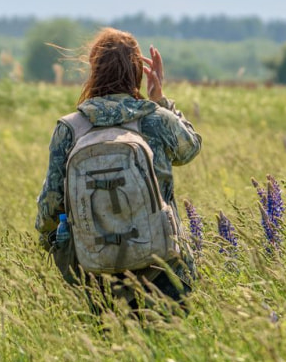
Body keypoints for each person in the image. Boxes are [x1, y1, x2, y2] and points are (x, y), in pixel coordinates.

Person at [35, 27, 202, 312]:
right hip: (164, 269)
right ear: (137, 71)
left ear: (94, 71)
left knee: (106, 352)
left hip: (94, 272)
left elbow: (51, 206)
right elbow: (191, 148)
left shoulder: (70, 129)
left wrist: (53, 243)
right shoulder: (155, 120)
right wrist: (160, 99)